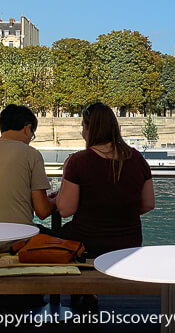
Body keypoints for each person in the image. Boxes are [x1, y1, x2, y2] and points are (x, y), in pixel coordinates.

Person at [56, 103, 155, 258]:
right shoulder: (137, 158)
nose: (82, 133)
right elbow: (149, 203)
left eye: (83, 127)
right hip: (129, 244)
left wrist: (65, 172)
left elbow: (65, 210)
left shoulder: (78, 161)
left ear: (89, 129)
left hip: (87, 245)